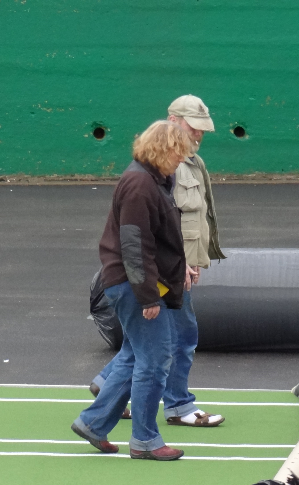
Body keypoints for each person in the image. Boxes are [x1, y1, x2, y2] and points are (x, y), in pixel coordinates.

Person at [89, 95, 227, 427]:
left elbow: (192, 217)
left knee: (154, 341)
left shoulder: (188, 160)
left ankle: (107, 388)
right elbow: (153, 231)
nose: (198, 136)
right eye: (194, 128)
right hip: (166, 272)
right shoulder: (163, 167)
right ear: (174, 120)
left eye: (202, 130)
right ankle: (177, 405)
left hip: (175, 266)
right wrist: (176, 269)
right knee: (176, 338)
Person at [71, 120, 193, 460]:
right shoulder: (140, 184)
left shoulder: (152, 178)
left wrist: (178, 271)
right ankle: (145, 440)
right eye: (178, 153)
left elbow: (157, 240)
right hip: (132, 285)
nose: (181, 160)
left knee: (139, 356)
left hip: (135, 283)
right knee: (154, 360)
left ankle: (93, 422)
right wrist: (148, 296)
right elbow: (135, 246)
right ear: (163, 150)